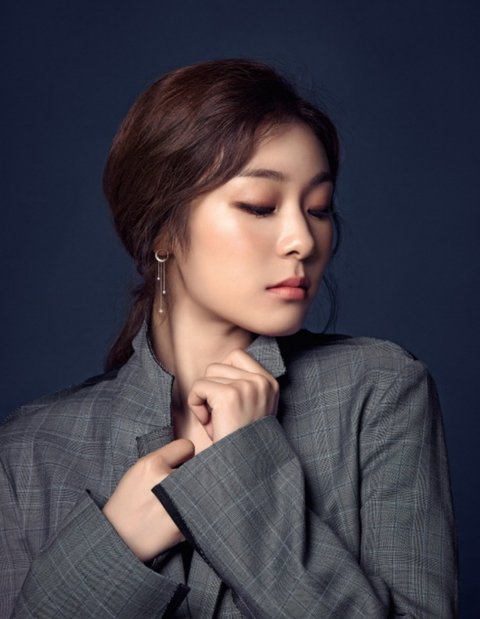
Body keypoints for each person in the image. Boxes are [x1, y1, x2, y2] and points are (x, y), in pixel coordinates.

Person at [0, 58, 457, 618]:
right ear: (163, 228)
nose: (302, 240)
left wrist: (243, 469)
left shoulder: (377, 391)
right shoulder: (30, 451)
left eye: (318, 209)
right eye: (260, 206)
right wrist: (115, 547)